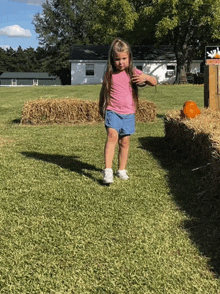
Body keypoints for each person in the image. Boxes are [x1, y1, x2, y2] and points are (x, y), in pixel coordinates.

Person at [99, 38, 157, 184]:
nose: (121, 62)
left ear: (129, 58)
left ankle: (121, 170)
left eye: (124, 58)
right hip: (113, 111)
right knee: (112, 136)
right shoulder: (109, 74)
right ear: (112, 59)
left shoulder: (133, 72)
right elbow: (103, 92)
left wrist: (146, 77)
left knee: (124, 142)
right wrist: (101, 106)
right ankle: (108, 171)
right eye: (117, 59)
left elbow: (154, 82)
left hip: (129, 113)